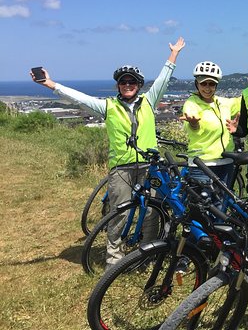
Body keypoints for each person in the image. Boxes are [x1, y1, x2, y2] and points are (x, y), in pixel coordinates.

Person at [30, 37, 186, 267]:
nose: (128, 85)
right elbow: (78, 97)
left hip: (150, 166)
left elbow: (163, 79)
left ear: (139, 85)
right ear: (118, 86)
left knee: (153, 213)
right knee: (119, 214)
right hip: (122, 168)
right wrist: (51, 84)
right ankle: (115, 261)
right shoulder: (108, 106)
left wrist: (174, 54)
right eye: (123, 82)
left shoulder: (149, 102)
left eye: (132, 82)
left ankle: (149, 254)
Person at [180, 61, 240, 189]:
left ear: (216, 85)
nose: (207, 88)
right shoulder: (191, 104)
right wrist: (194, 124)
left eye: (211, 84)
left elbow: (244, 101)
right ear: (197, 84)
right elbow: (190, 127)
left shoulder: (222, 102)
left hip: (226, 161)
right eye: (203, 83)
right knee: (204, 206)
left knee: (222, 205)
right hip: (202, 164)